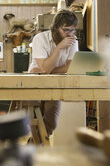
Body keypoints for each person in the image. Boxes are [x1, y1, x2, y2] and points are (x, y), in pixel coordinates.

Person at [28, 9, 78, 137]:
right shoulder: (40, 39)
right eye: (66, 30)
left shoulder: (73, 41)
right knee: (32, 119)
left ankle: (34, 145)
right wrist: (59, 47)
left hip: (55, 83)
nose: (69, 34)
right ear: (56, 27)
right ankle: (36, 145)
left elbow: (68, 68)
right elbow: (46, 68)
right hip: (34, 83)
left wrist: (45, 71)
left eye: (72, 30)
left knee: (52, 123)